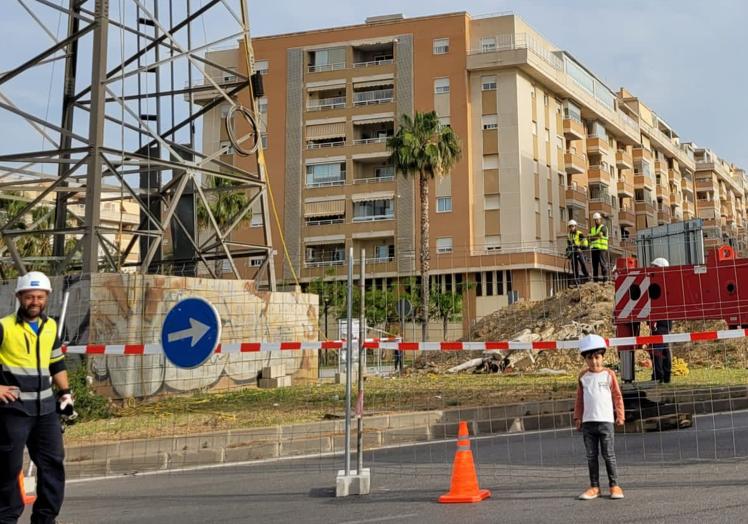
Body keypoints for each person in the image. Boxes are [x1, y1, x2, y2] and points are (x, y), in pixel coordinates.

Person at [0, 271, 73, 524]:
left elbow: (57, 363)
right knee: (8, 470)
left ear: (47, 298)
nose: (35, 301)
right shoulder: (3, 326)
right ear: (19, 297)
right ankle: (6, 518)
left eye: (40, 297)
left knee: (53, 465)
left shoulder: (51, 326)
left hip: (46, 412)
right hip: (13, 411)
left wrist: (66, 393)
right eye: (29, 296)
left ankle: (45, 518)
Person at [574, 334, 625, 500]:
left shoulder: (609, 375)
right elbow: (579, 399)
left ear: (603, 357)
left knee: (608, 454)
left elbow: (617, 396)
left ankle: (614, 485)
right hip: (588, 423)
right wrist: (578, 417)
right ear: (585, 359)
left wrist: (620, 414)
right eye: (590, 358)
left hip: (606, 422)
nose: (594, 362)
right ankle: (594, 486)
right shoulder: (583, 377)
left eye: (597, 357)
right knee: (591, 456)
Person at [649, 258, 672, 383]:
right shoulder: (667, 282)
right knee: (663, 347)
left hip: (661, 321)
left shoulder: (659, 282)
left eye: (654, 267)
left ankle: (659, 376)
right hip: (665, 321)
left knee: (657, 349)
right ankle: (665, 375)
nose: (651, 269)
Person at [566, 220, 589, 285]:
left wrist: (581, 247)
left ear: (575, 226)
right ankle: (577, 282)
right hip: (573, 252)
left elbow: (585, 241)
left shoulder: (579, 233)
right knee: (574, 267)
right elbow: (568, 245)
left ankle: (587, 277)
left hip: (579, 251)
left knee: (583, 264)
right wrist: (568, 252)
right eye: (570, 227)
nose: (571, 228)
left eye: (572, 226)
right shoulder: (568, 235)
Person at [588, 212, 609, 283]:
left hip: (602, 248)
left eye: (598, 219)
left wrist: (593, 237)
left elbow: (599, 236)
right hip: (594, 249)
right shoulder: (592, 229)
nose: (596, 221)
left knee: (603, 264)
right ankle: (595, 280)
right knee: (595, 265)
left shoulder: (603, 227)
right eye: (595, 220)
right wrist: (594, 236)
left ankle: (605, 280)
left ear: (600, 219)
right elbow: (589, 238)